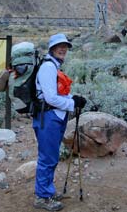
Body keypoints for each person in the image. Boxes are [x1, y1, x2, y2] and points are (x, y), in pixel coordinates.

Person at [33, 33, 87, 211]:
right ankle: (42, 197)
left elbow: (58, 94)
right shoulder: (48, 67)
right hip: (47, 118)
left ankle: (47, 191)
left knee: (51, 156)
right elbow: (50, 98)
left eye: (65, 46)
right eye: (59, 46)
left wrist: (74, 98)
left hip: (53, 117)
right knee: (47, 158)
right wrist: (72, 103)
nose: (63, 49)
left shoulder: (53, 66)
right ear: (52, 49)